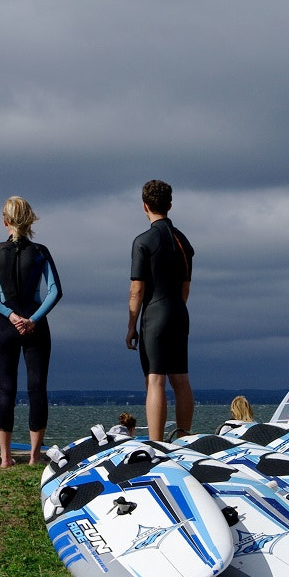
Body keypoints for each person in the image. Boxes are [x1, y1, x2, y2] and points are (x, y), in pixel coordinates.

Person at [0, 196, 62, 467]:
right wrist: (32, 318)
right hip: (35, 325)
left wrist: (10, 315)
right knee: (37, 389)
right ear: (30, 219)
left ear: (5, 221)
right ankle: (35, 457)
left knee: (5, 390)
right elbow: (55, 291)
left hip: (5, 324)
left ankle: (4, 457)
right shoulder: (40, 251)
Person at [126, 180, 195, 441]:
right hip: (178, 310)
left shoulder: (143, 241)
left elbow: (137, 289)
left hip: (155, 314)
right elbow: (186, 286)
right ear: (170, 205)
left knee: (155, 380)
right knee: (181, 379)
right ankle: (183, 439)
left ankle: (156, 444)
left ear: (145, 206)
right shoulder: (183, 241)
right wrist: (176, 309)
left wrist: (132, 325)